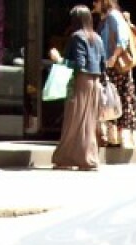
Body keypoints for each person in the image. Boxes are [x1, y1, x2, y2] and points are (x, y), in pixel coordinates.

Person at [49, 5, 104, 171]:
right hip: (95, 82)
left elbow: (79, 65)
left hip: (80, 82)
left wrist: (59, 59)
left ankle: (67, 158)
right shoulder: (97, 38)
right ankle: (88, 158)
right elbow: (102, 65)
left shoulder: (77, 37)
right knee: (87, 121)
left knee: (73, 120)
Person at [100, 0, 136, 149]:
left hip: (116, 68)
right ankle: (116, 138)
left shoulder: (113, 16)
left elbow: (122, 39)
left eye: (96, 1)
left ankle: (121, 137)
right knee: (114, 100)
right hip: (114, 68)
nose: (94, 4)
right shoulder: (107, 18)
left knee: (115, 100)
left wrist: (113, 57)